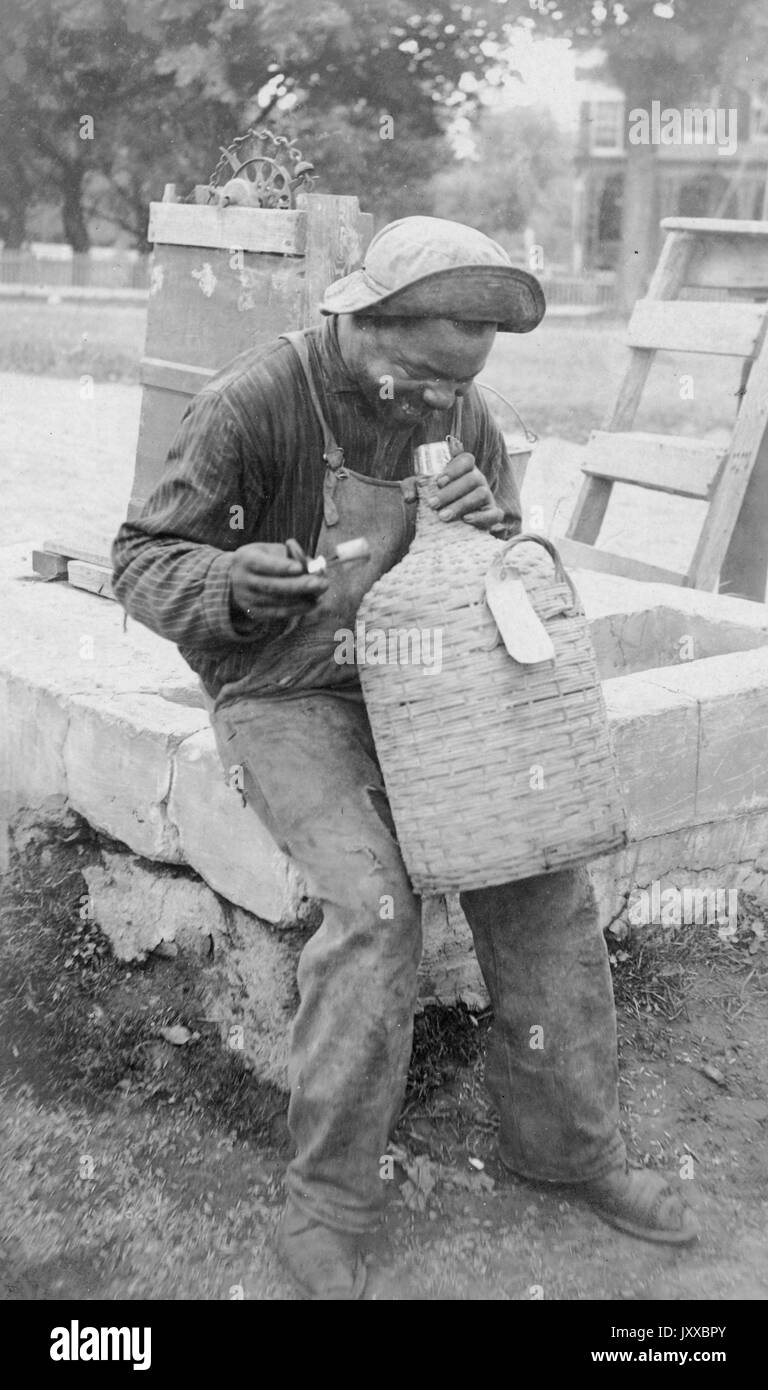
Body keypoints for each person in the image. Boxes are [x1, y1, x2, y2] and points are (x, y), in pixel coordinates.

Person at [112, 215, 699, 1300]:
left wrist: (489, 530)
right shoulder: (257, 399)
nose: (439, 404)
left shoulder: (458, 410)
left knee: (542, 882)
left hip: (432, 686)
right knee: (378, 908)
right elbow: (141, 559)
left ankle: (566, 1151)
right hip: (285, 692)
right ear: (356, 321)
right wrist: (227, 588)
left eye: (458, 385)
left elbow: (508, 579)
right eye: (422, 377)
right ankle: (327, 1198)